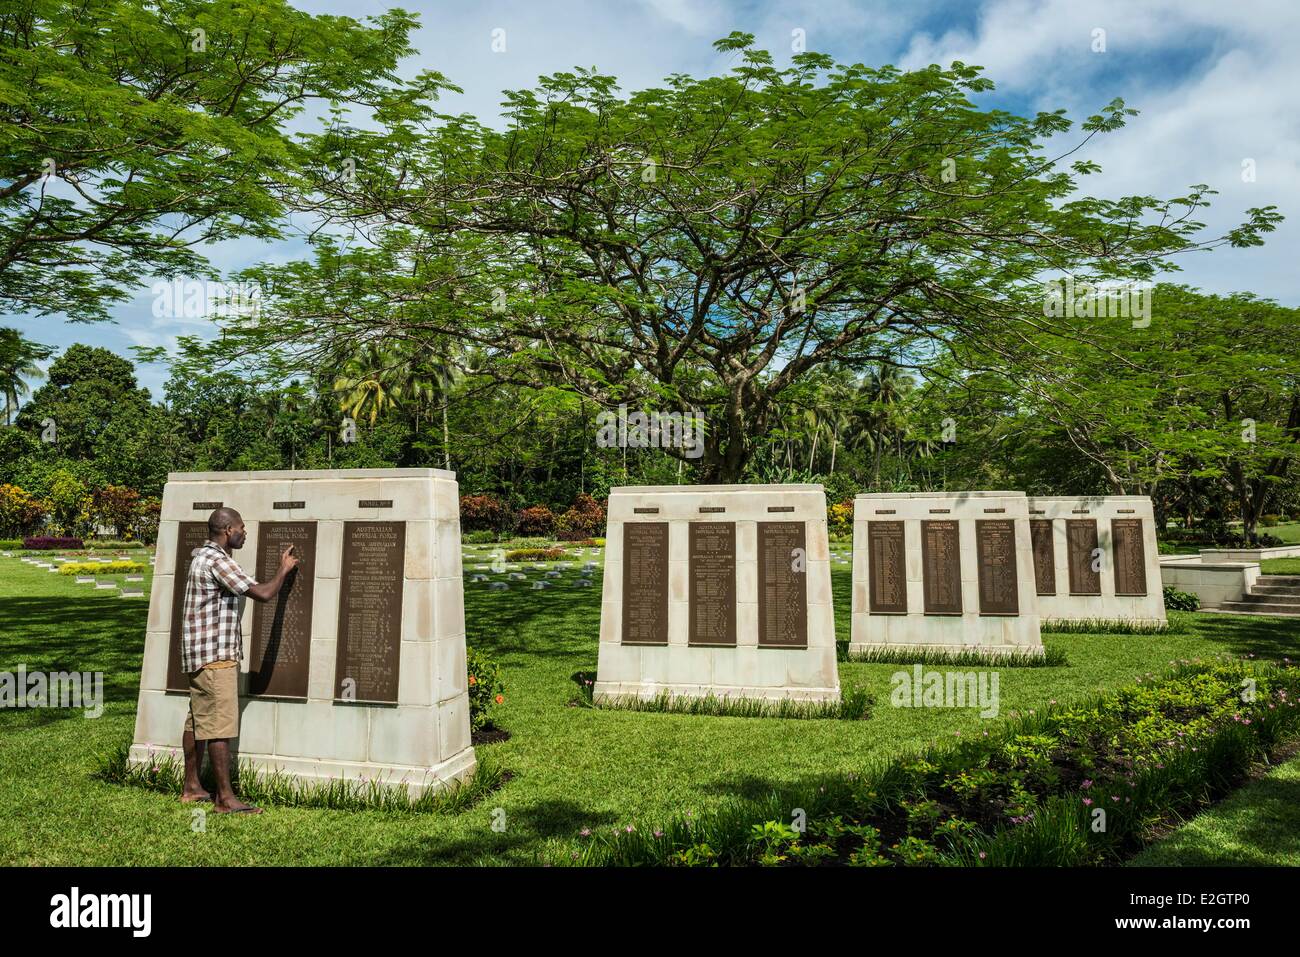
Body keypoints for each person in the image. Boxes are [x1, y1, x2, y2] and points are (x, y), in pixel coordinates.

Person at [179, 506, 300, 814]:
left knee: (199, 720)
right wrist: (283, 570)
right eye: (242, 528)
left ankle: (192, 786)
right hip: (215, 655)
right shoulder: (218, 561)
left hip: (200, 654)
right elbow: (261, 593)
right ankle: (225, 798)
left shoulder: (200, 556)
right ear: (228, 530)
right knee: (219, 725)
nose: (245, 533)